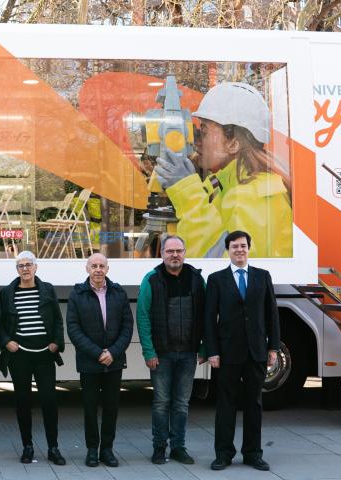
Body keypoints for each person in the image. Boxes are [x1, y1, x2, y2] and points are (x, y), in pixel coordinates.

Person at [155, 81, 292, 258]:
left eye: (203, 132)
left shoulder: (251, 196)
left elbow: (224, 267)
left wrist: (189, 196)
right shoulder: (224, 186)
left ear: (233, 143)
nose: (196, 141)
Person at [204, 230, 280, 471]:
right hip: (227, 353)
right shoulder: (216, 280)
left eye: (243, 246)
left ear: (249, 248)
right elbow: (209, 319)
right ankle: (223, 454)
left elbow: (272, 314)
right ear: (228, 250)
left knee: (254, 404)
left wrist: (273, 347)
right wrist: (212, 351)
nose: (239, 250)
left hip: (256, 350)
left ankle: (253, 453)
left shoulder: (262, 276)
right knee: (225, 404)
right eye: (234, 246)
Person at [136, 235, 205, 465]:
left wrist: (204, 347)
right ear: (162, 254)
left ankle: (178, 447)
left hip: (188, 353)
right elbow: (143, 317)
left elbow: (206, 315)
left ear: (185, 253)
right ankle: (159, 447)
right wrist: (149, 351)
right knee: (161, 402)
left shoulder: (196, 279)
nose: (174, 255)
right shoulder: (152, 279)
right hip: (162, 355)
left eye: (179, 251)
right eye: (169, 251)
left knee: (181, 403)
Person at [0, 251, 66, 465]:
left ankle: (53, 447)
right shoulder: (7, 292)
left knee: (49, 401)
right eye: (21, 265)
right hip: (20, 356)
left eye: (28, 265)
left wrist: (56, 342)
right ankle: (27, 446)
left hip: (45, 354)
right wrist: (6, 341)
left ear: (36, 267)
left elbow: (57, 319)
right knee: (23, 401)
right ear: (16, 269)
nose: (25, 268)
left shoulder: (47, 289)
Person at [66, 253, 133, 468]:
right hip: (89, 362)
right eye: (93, 265)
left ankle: (107, 450)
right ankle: (92, 450)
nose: (97, 269)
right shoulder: (77, 294)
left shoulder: (119, 293)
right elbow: (73, 329)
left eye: (101, 265)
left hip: (114, 361)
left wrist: (112, 352)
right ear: (87, 268)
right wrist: (97, 353)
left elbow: (127, 327)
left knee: (111, 407)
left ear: (107, 268)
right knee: (90, 407)